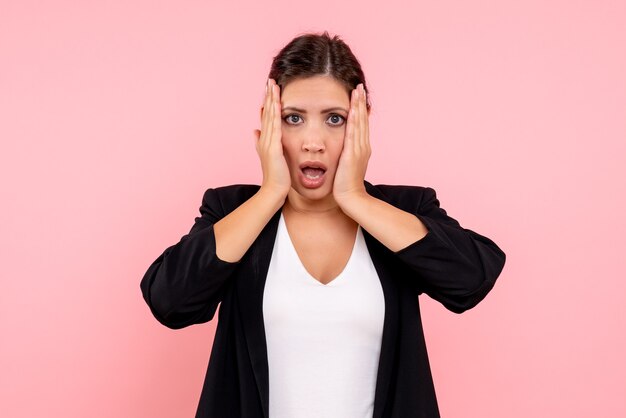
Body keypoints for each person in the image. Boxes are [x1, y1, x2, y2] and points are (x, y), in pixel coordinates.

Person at [140, 31, 506, 418]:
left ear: (361, 126)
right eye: (293, 118)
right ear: (270, 126)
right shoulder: (232, 209)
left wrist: (356, 199)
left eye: (335, 119)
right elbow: (170, 301)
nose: (313, 141)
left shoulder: (402, 210)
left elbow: (471, 279)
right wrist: (269, 194)